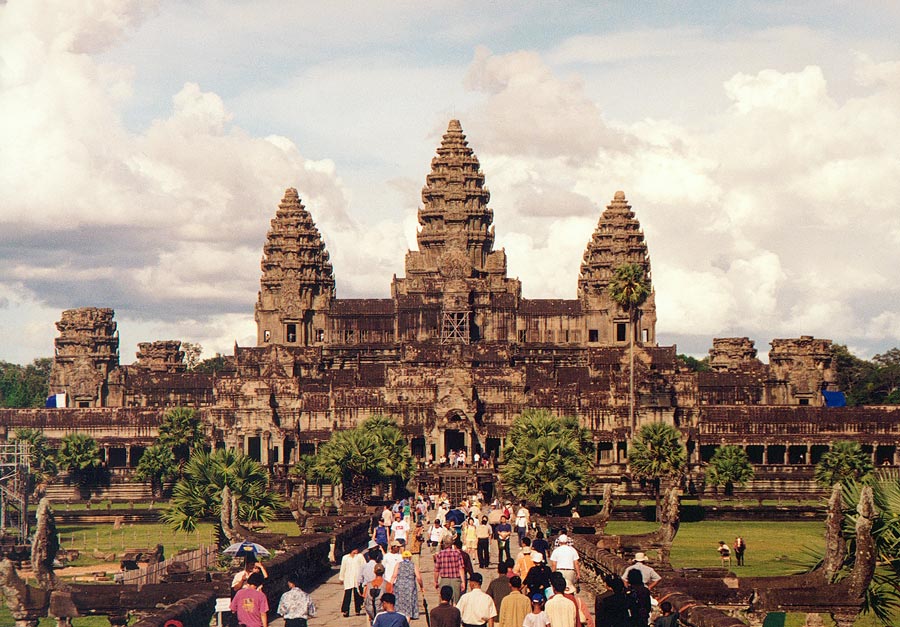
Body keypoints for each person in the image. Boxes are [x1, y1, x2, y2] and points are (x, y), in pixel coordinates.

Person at [390, 550, 424, 620]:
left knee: (399, 604)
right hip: (410, 587)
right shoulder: (413, 565)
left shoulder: (398, 564)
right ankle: (406, 623)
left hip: (399, 586)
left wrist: (390, 586)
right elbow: (418, 577)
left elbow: (394, 576)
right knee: (408, 605)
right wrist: (421, 586)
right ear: (410, 557)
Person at [434, 537, 467, 603]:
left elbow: (437, 570)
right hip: (456, 580)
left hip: (444, 580)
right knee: (456, 601)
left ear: (444, 544)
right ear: (452, 543)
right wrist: (463, 581)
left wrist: (436, 581)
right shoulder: (457, 553)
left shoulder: (440, 554)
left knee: (444, 600)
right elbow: (461, 568)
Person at [339, 547, 366, 617]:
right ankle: (345, 610)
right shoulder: (345, 558)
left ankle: (358, 609)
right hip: (348, 578)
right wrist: (341, 578)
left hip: (357, 578)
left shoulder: (360, 556)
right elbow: (343, 568)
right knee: (347, 595)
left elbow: (364, 566)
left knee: (357, 595)